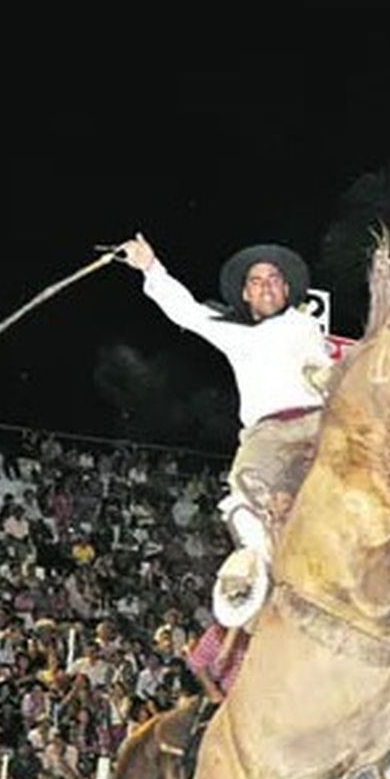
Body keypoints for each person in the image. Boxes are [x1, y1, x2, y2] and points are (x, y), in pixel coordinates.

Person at [118, 233, 330, 626]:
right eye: (256, 280)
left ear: (287, 289)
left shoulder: (306, 326)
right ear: (246, 295)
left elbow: (326, 365)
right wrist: (151, 266)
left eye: (274, 279)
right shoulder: (236, 333)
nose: (266, 285)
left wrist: (326, 376)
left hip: (319, 426)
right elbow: (188, 313)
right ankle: (255, 564)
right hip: (266, 434)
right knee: (242, 491)